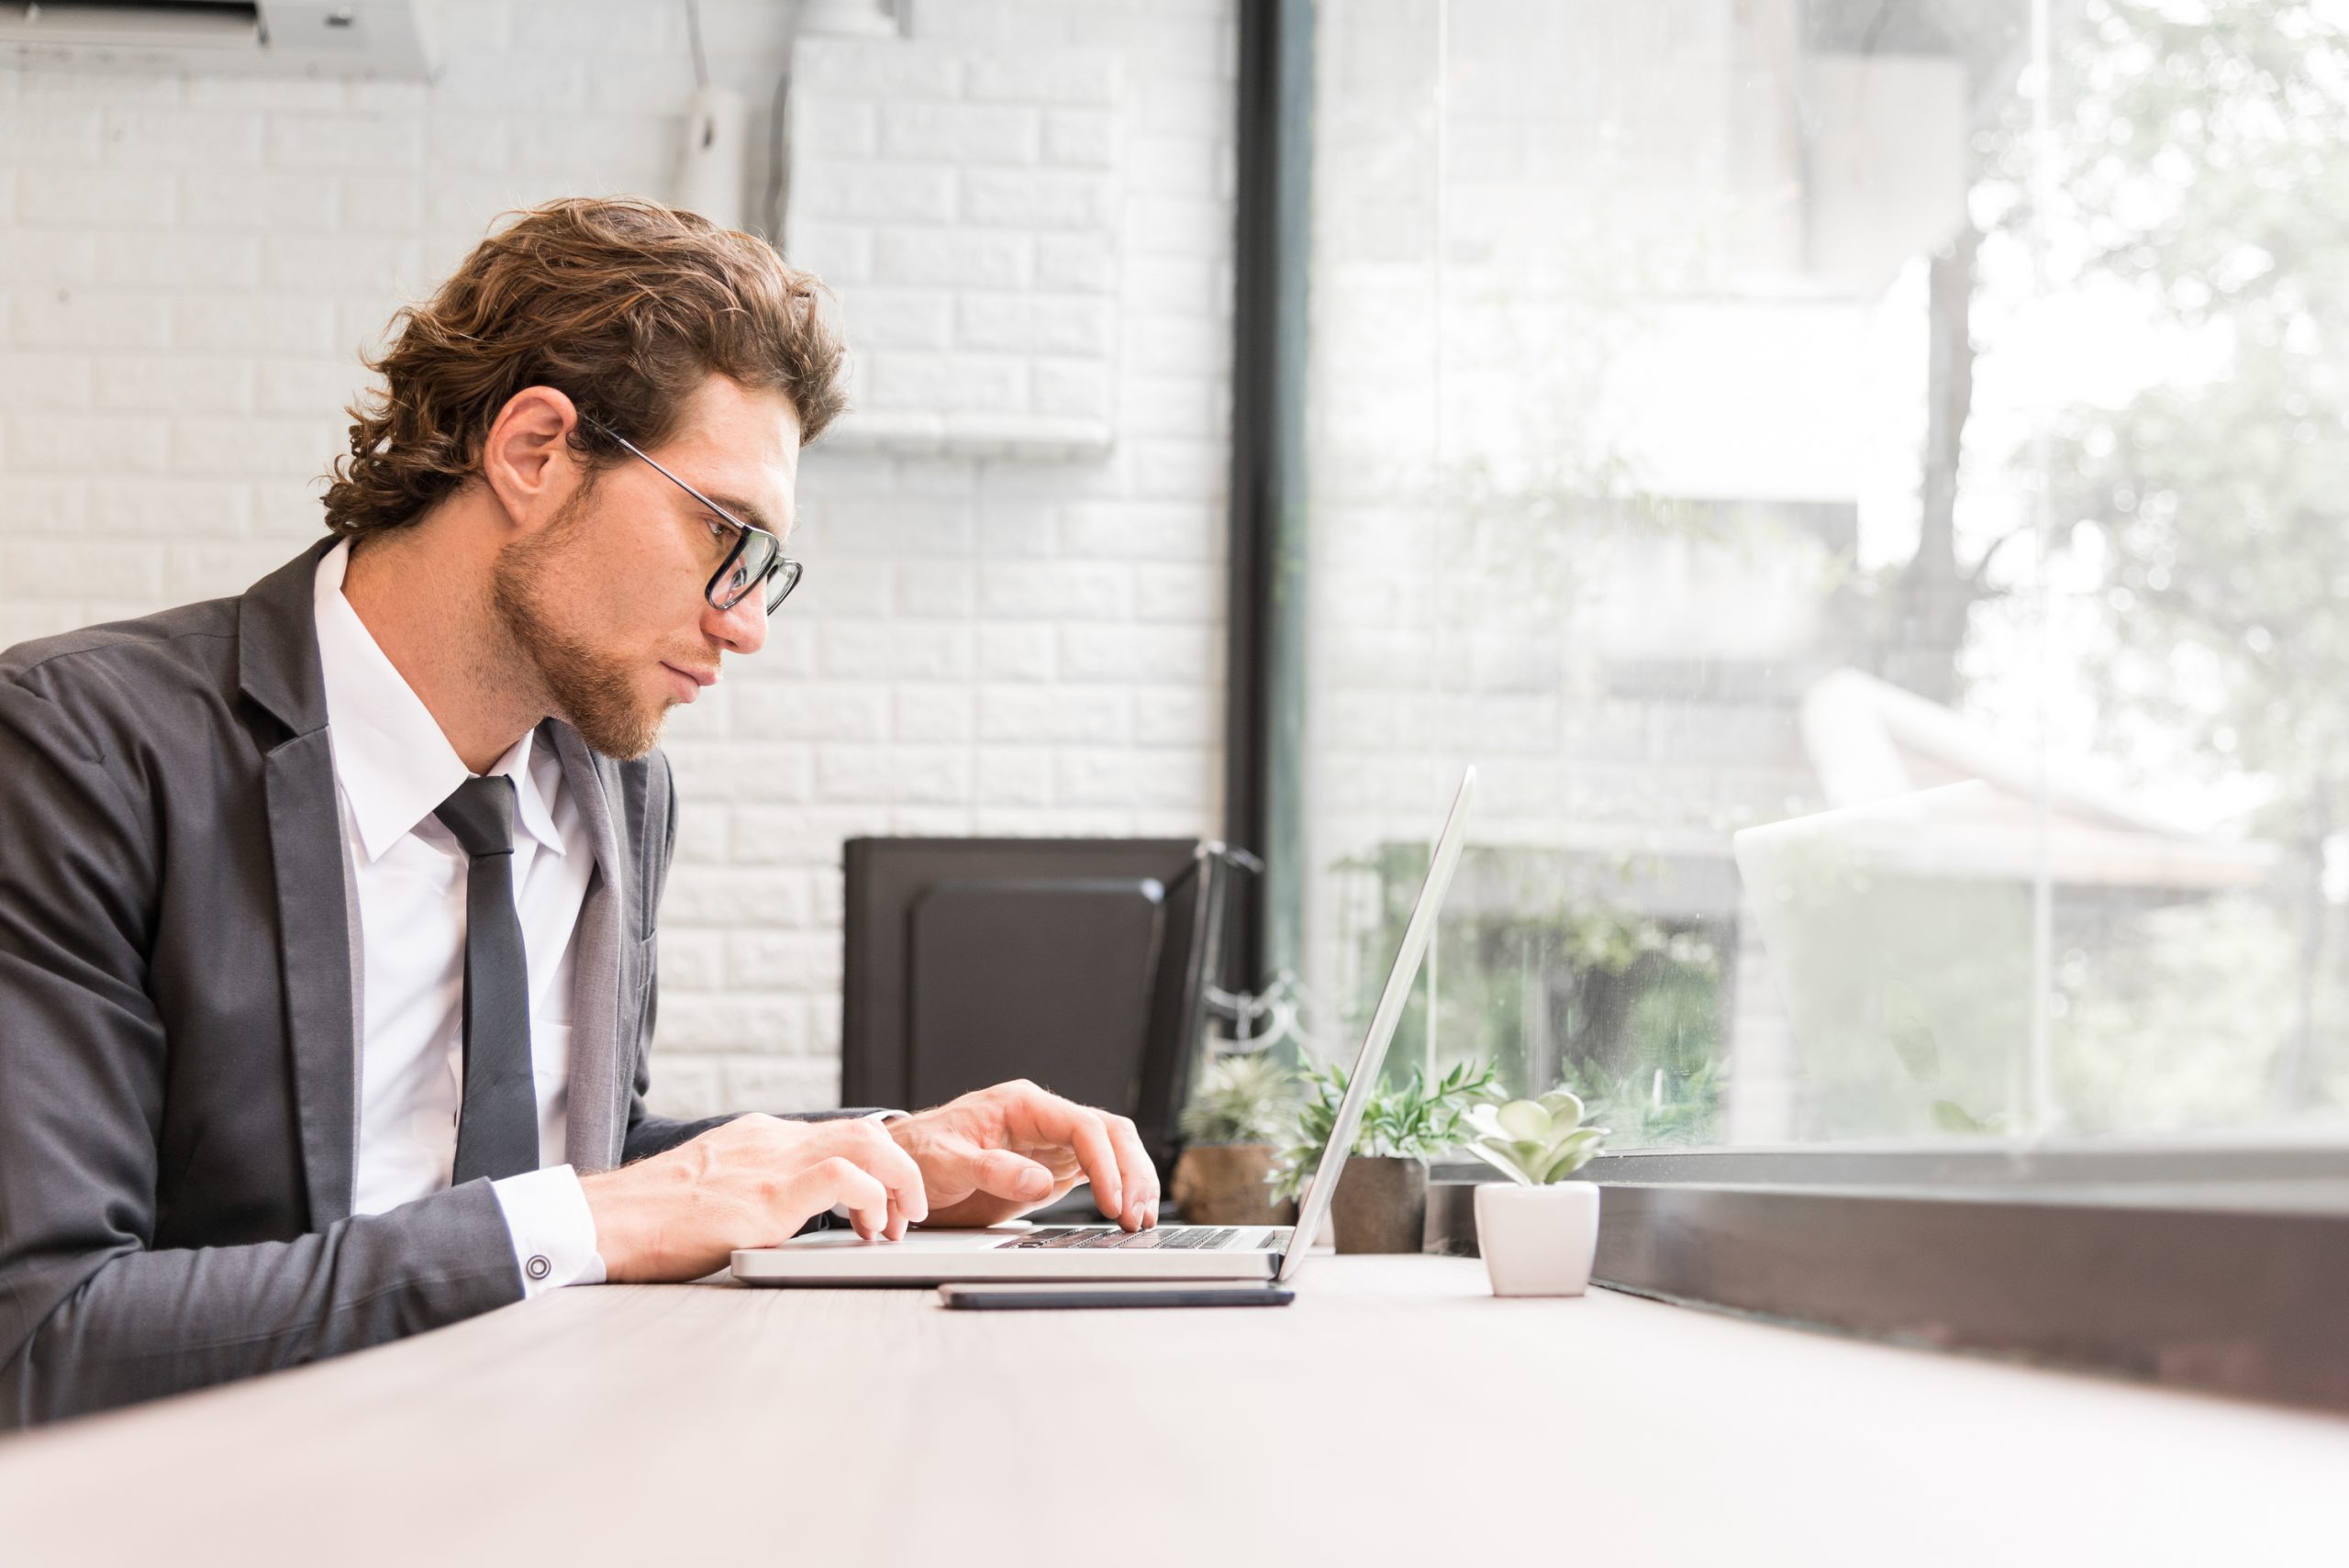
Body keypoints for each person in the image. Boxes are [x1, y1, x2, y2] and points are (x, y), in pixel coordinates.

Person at [0, 197, 1159, 1430]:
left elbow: (568, 1143)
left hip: (553, 1458)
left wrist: (878, 1159)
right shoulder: (81, 750)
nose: (745, 619)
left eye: (765, 565)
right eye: (722, 530)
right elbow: (42, 1335)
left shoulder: (612, 787)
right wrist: (600, 1213)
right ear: (535, 451)